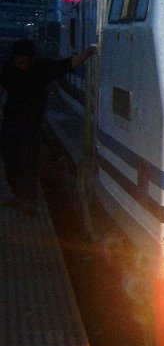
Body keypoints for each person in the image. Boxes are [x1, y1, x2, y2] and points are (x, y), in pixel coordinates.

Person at [0, 38, 95, 214]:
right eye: (18, 61)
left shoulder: (42, 68)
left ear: (31, 59)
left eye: (24, 61)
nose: (21, 64)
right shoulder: (9, 68)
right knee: (11, 162)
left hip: (32, 125)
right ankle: (17, 195)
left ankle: (28, 200)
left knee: (28, 163)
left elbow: (68, 64)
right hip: (10, 124)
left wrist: (90, 51)